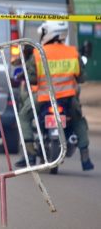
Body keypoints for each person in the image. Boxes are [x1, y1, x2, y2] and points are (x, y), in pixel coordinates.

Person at [15, 20, 94, 171]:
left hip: (44, 98)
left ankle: (30, 155)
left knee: (24, 117)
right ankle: (85, 158)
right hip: (68, 99)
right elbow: (82, 78)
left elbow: (31, 78)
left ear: (49, 33)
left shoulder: (38, 53)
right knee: (79, 120)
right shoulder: (73, 52)